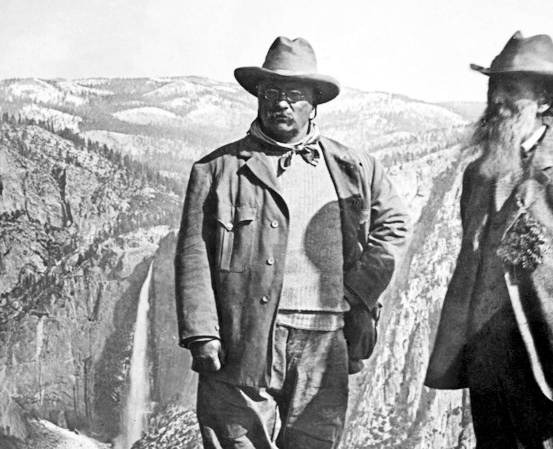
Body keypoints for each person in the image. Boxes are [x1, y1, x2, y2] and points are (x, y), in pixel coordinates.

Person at [175, 36, 409, 448]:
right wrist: (201, 334)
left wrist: (356, 291)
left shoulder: (354, 168)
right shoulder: (217, 170)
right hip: (240, 341)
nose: (281, 103)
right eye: (271, 93)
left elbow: (394, 229)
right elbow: (194, 253)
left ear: (313, 103)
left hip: (325, 343)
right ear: (259, 98)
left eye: (294, 95)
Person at [424, 32, 553, 448]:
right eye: (494, 86)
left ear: (544, 101)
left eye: (512, 89)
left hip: (549, 371)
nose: (498, 98)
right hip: (489, 366)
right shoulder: (478, 174)